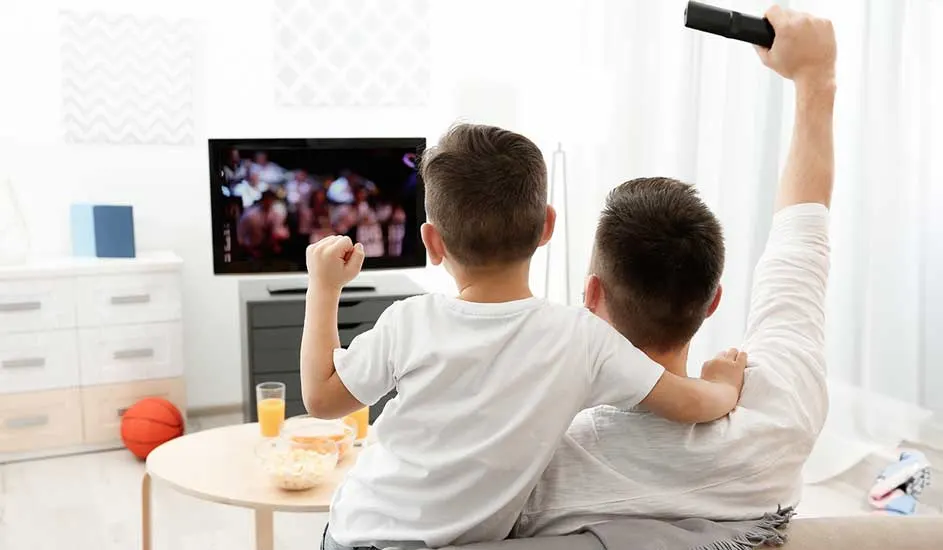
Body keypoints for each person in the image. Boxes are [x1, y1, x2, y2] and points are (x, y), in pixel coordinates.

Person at [301, 124, 748, 550]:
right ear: (547, 227)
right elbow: (691, 405)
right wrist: (724, 384)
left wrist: (323, 288)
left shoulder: (408, 321)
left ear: (432, 243)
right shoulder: (583, 339)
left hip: (357, 532)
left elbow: (321, 400)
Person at [517, 6, 835, 536]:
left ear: (591, 293)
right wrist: (815, 79)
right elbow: (801, 244)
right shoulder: (780, 420)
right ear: (713, 300)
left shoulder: (544, 457)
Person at [236, 190, 290, 258]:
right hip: (251, 249)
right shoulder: (250, 216)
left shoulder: (277, 213)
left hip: (270, 249)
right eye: (266, 200)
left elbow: (281, 232)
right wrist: (250, 251)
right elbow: (240, 235)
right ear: (262, 200)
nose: (268, 202)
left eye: (271, 200)